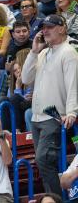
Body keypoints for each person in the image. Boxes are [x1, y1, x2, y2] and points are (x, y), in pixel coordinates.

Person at [21, 14, 78, 196]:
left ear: (62, 28)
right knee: (43, 164)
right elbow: (25, 78)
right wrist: (33, 52)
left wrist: (71, 112)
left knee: (44, 160)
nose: (45, 30)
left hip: (54, 116)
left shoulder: (68, 52)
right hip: (37, 116)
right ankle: (51, 198)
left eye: (50, 27)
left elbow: (73, 84)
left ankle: (56, 199)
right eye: (43, 27)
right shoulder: (43, 52)